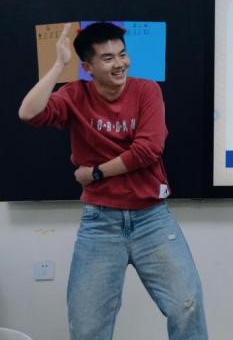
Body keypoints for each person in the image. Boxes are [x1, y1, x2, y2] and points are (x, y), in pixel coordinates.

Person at [18, 22, 207, 340]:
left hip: (151, 218)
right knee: (87, 326)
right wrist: (59, 65)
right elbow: (29, 113)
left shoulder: (146, 90)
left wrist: (95, 172)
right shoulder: (74, 95)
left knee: (186, 306)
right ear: (88, 67)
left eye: (123, 54)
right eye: (108, 58)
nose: (120, 64)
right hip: (100, 223)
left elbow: (148, 149)